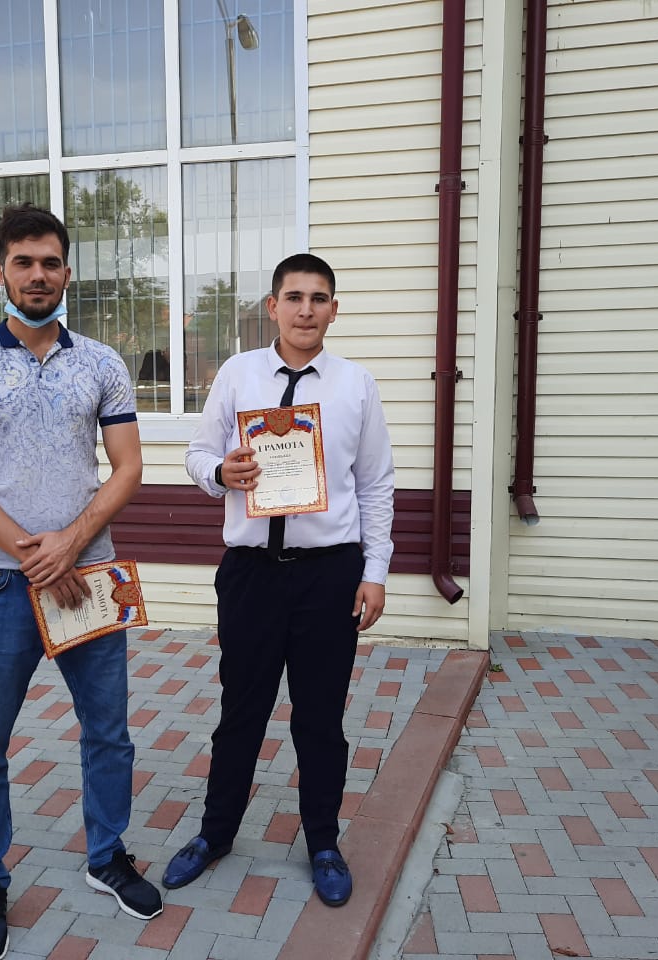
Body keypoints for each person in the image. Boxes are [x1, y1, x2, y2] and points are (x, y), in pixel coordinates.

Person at [0, 203, 162, 960]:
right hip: (0, 587)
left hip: (90, 579)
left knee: (109, 733)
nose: (38, 275)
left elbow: (128, 468)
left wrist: (71, 544)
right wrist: (38, 554)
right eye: (23, 262)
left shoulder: (101, 362)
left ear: (67, 272)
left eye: (50, 262)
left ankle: (107, 856)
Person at [170, 253, 395, 907]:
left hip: (329, 576)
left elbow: (375, 484)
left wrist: (375, 572)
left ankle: (323, 842)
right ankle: (215, 834)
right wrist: (222, 474)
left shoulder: (356, 385)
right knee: (240, 712)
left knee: (320, 719)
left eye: (318, 298)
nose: (305, 309)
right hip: (251, 577)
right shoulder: (238, 374)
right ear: (272, 307)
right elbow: (196, 453)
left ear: (334, 309)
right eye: (294, 297)